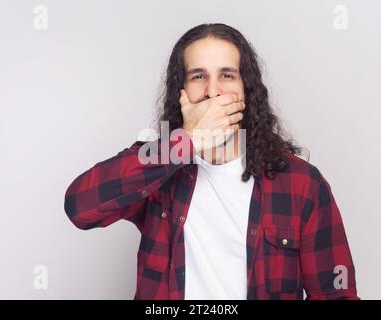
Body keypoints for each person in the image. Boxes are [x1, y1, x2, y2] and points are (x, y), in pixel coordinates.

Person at [64, 23, 358, 300]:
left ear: (247, 90)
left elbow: (336, 294)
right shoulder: (158, 166)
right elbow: (81, 207)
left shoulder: (301, 183)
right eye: (198, 76)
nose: (213, 91)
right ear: (182, 92)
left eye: (227, 75)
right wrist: (186, 142)